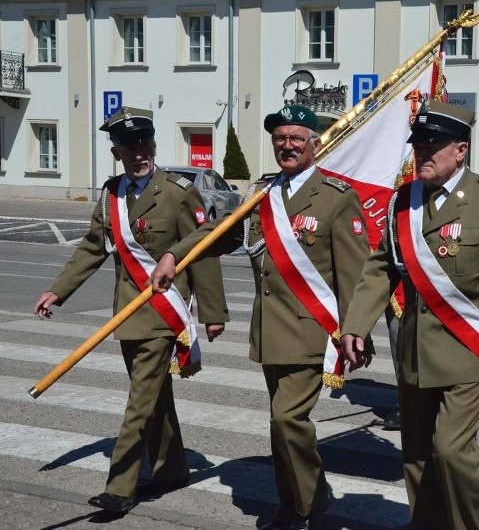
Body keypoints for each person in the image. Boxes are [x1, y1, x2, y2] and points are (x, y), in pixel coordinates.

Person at [150, 104, 370, 529]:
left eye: (296, 138)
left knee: (289, 419)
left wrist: (355, 330)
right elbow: (218, 232)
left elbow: (357, 274)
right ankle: (302, 495)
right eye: (280, 139)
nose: (287, 146)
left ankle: (302, 509)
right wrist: (175, 254)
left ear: (314, 143)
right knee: (280, 424)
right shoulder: (263, 194)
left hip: (314, 330)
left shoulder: (337, 199)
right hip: (270, 331)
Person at [338, 100, 479, 529]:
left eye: (434, 144)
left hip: (466, 351)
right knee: (416, 456)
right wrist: (355, 327)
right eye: (418, 144)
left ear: (460, 150)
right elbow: (380, 267)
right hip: (415, 352)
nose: (423, 153)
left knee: (451, 452)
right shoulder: (405, 201)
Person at [33, 106, 229, 513]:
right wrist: (57, 291)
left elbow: (201, 248)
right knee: (155, 398)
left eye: (145, 144)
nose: (139, 153)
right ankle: (172, 468)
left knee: (139, 401)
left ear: (154, 145)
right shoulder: (111, 195)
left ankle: (120, 488)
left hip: (161, 313)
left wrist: (213, 312)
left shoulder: (176, 191)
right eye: (130, 147)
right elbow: (91, 248)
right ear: (116, 151)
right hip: (128, 312)